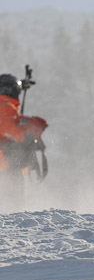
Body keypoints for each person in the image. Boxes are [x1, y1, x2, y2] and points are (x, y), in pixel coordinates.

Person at [0, 73, 48, 202]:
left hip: (8, 165)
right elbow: (10, 130)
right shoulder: (4, 105)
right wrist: (28, 133)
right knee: (13, 202)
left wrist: (21, 84)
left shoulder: (6, 105)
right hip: (6, 165)